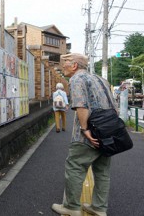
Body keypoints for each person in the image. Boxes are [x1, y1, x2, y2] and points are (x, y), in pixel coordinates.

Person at [51, 53, 116, 216]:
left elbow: (81, 105)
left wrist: (86, 130)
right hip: (108, 131)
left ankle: (71, 207)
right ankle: (99, 208)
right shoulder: (102, 80)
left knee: (75, 166)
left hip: (88, 134)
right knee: (102, 171)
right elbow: (113, 106)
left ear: (74, 66)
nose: (62, 66)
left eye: (65, 63)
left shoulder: (77, 79)